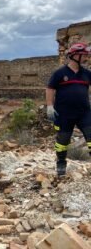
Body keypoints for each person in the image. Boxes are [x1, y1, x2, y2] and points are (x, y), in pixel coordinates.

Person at [46, 42, 91, 177]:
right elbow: (50, 88)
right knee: (62, 141)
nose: (86, 57)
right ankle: (61, 163)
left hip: (84, 113)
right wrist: (49, 105)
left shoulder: (87, 74)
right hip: (64, 114)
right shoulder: (60, 73)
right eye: (83, 55)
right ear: (75, 56)